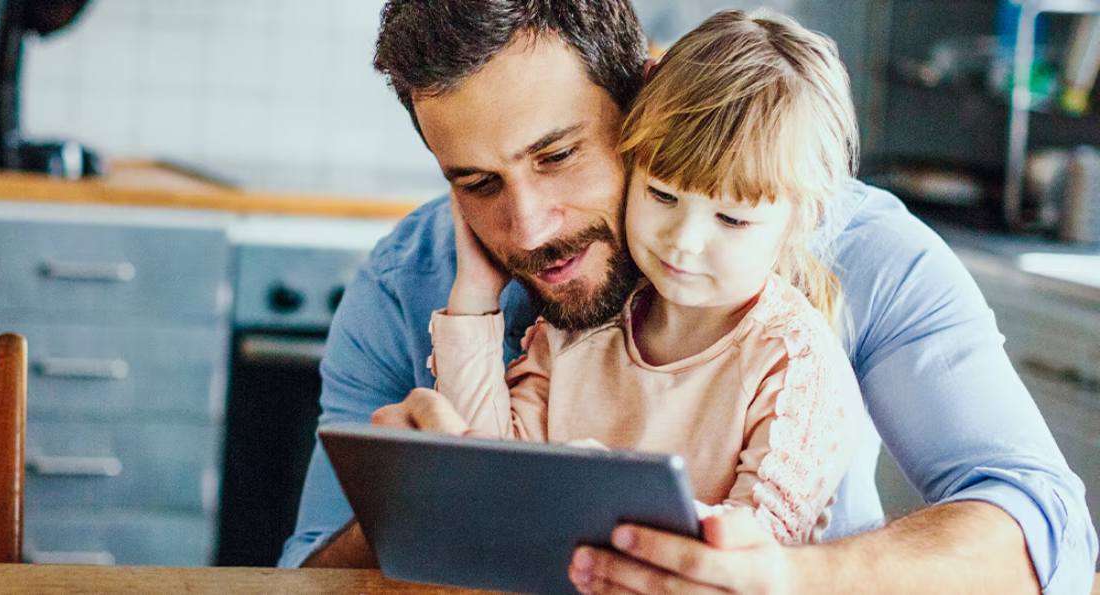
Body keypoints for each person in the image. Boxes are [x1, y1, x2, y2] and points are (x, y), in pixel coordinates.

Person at [279, 1, 1098, 593]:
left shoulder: (859, 253)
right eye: (477, 180)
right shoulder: (405, 283)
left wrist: (791, 578)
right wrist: (405, 501)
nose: (527, 226)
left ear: (643, 96)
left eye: (558, 154)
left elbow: (1042, 525)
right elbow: (301, 577)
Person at [428, 8, 861, 547]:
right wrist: (473, 295)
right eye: (662, 196)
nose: (684, 240)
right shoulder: (576, 329)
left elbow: (752, 557)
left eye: (731, 218)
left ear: (801, 221)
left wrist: (600, 489)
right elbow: (483, 485)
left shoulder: (796, 367)